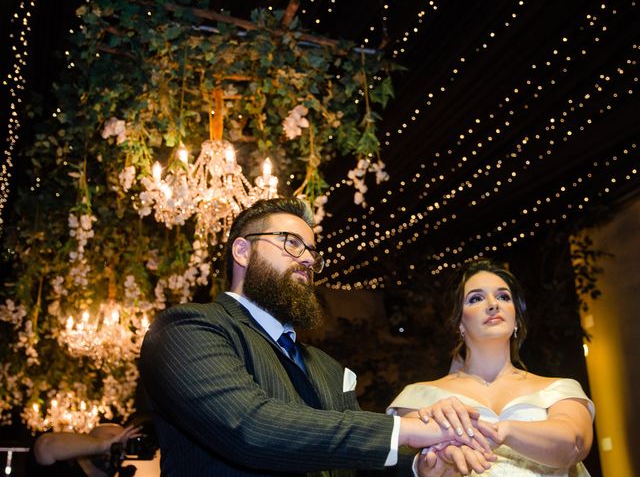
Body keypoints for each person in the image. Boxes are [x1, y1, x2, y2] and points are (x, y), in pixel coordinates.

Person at [139, 198, 498, 477]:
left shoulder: (326, 366)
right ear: (242, 251)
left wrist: (426, 466)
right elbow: (249, 427)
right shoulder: (187, 328)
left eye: (312, 251)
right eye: (291, 243)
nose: (308, 260)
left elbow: (352, 459)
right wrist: (406, 429)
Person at [387, 260, 595, 476]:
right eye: (476, 298)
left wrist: (502, 430)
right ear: (459, 322)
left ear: (516, 319)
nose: (493, 304)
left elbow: (574, 445)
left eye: (503, 297)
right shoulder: (419, 397)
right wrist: (438, 463)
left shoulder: (559, 390)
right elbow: (412, 462)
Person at [31, 423, 143, 476]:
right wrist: (104, 446)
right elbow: (45, 445)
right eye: (111, 437)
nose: (118, 444)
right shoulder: (62, 467)